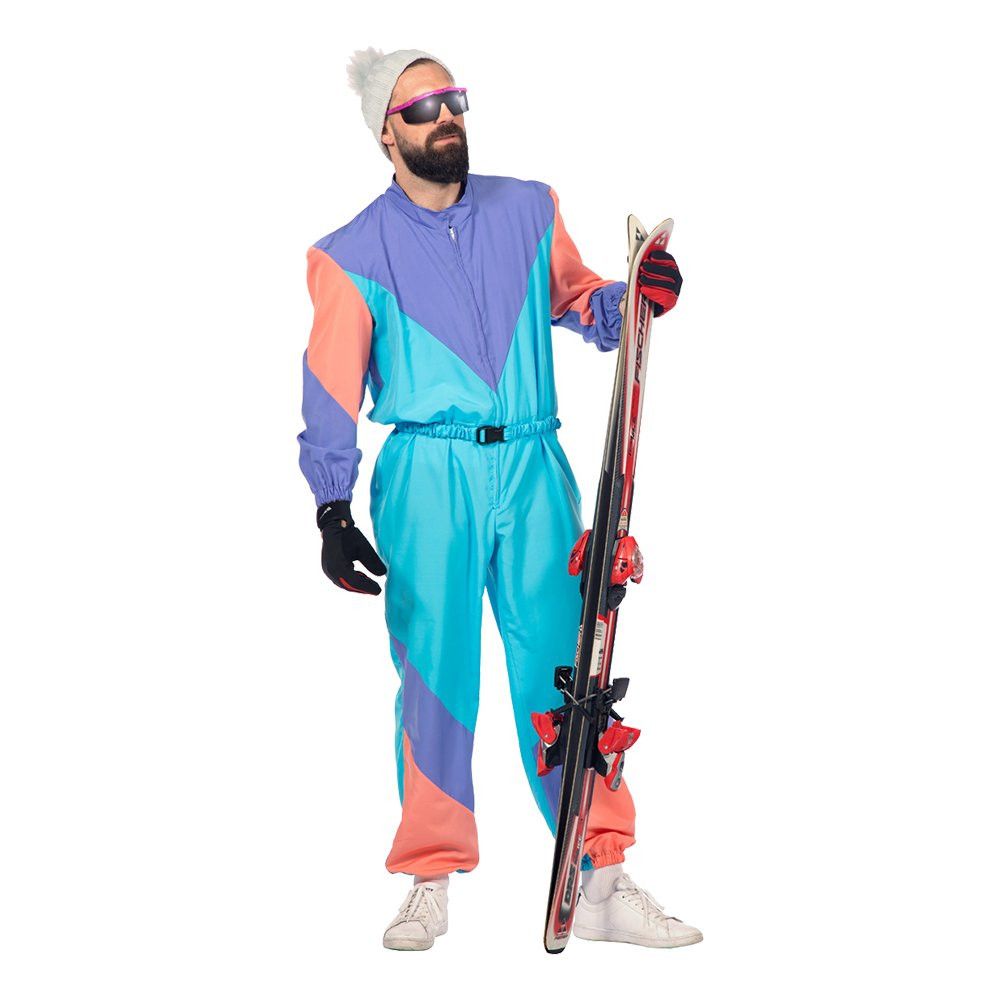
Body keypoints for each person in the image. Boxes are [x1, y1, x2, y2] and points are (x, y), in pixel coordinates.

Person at [297, 46, 700, 952]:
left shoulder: (527, 210)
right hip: (426, 475)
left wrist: (634, 297)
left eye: (454, 100)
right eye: (422, 107)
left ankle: (600, 878)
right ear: (387, 134)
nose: (445, 117)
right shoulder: (350, 254)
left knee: (570, 666)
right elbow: (329, 388)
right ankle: (428, 878)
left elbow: (582, 300)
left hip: (533, 461)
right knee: (434, 677)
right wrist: (331, 507)